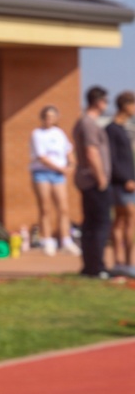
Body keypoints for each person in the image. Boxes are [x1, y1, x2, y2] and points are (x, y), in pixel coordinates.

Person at [28, 106, 81, 255]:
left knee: (63, 208)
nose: (49, 119)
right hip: (42, 173)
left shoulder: (59, 133)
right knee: (45, 208)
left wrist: (71, 164)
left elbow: (68, 151)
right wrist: (61, 168)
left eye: (52, 116)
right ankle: (47, 240)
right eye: (46, 116)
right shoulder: (37, 134)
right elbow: (42, 157)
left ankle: (65, 240)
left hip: (58, 175)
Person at [72, 86, 113, 278]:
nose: (106, 105)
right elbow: (91, 151)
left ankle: (90, 266)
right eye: (105, 101)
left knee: (90, 224)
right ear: (98, 102)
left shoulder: (85, 122)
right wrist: (101, 178)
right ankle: (96, 266)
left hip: (88, 180)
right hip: (93, 181)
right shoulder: (88, 123)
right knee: (100, 224)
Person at [106, 91, 135, 268]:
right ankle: (123, 262)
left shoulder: (125, 128)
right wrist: (126, 179)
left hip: (129, 181)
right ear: (125, 105)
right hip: (121, 183)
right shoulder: (112, 129)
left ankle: (125, 262)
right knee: (126, 219)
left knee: (124, 220)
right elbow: (113, 158)